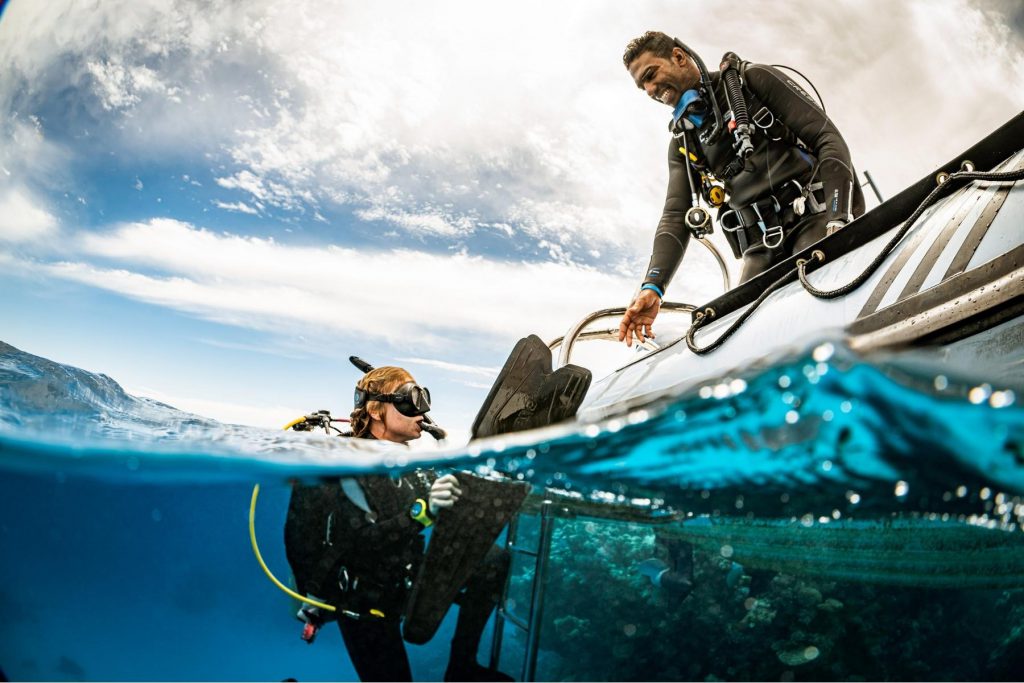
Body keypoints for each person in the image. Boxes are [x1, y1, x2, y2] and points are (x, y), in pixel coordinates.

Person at [618, 30, 865, 347]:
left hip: (815, 219)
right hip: (760, 246)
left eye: (651, 75)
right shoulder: (684, 142)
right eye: (643, 87)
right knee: (738, 334)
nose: (651, 89)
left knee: (813, 309)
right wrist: (653, 287)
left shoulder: (751, 81)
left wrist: (837, 218)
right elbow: (676, 214)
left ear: (678, 56)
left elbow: (828, 140)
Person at [284, 366, 512, 682]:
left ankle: (462, 665)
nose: (424, 411)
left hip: (403, 582)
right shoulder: (343, 466)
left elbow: (438, 503)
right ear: (376, 410)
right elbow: (356, 547)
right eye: (411, 400)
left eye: (425, 398)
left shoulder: (409, 465)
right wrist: (421, 513)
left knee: (493, 561)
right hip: (362, 602)